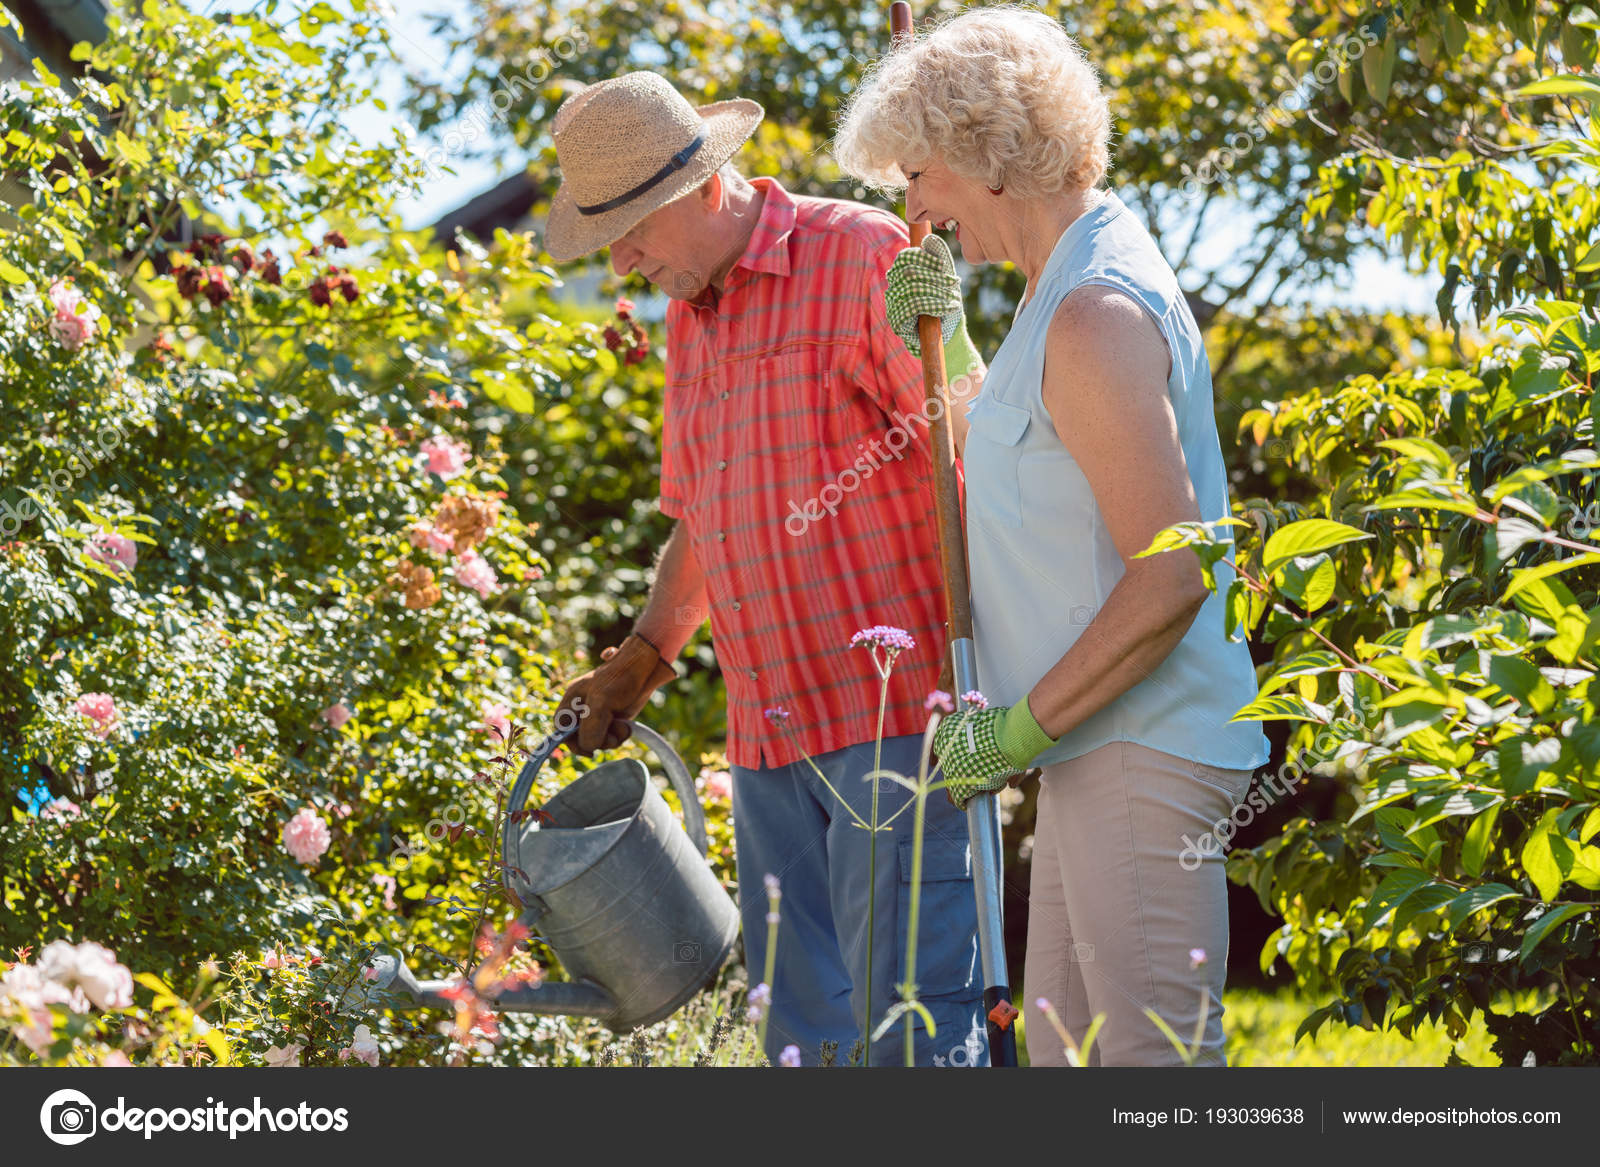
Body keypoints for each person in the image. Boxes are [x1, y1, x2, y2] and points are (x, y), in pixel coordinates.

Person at [834, 6, 1272, 1066]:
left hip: (1140, 742)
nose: (921, 210)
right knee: (1072, 1052)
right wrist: (952, 348)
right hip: (1099, 747)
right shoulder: (1057, 292)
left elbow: (1169, 576)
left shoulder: (1092, 309)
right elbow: (1036, 464)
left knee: (1150, 1062)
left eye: (921, 176)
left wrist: (1017, 731)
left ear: (986, 156)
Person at [543, 71, 987, 1065]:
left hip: (892, 726)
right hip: (766, 739)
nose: (622, 260)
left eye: (631, 229)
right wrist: (643, 658)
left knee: (913, 1036)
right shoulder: (688, 316)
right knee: (804, 1046)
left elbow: (971, 447)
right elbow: (706, 518)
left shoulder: (862, 254)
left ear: (704, 187)